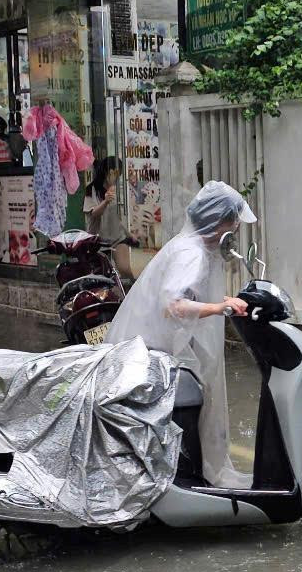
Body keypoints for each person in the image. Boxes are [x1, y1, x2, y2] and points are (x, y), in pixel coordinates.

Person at [105, 180, 256, 489]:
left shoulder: (195, 248)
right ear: (219, 222)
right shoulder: (192, 253)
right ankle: (193, 477)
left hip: (155, 348)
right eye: (234, 222)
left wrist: (221, 302)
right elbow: (173, 306)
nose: (237, 229)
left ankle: (196, 473)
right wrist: (218, 308)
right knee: (198, 398)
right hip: (150, 353)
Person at [83, 156, 135, 282]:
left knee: (126, 271)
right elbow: (94, 213)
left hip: (117, 238)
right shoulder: (92, 189)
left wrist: (129, 235)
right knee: (102, 277)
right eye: (115, 173)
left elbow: (116, 218)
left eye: (119, 173)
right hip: (98, 240)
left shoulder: (116, 190)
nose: (117, 177)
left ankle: (130, 298)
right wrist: (105, 201)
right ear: (107, 171)